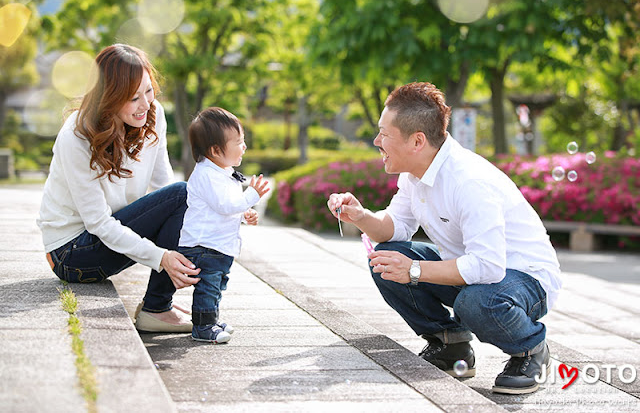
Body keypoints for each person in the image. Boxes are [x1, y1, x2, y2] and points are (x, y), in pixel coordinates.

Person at [327, 82, 562, 395]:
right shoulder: (415, 173)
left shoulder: (469, 181)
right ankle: (451, 345)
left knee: (476, 301)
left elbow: (488, 267)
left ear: (417, 141)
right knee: (386, 256)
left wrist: (414, 270)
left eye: (384, 134)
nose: (376, 141)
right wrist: (361, 216)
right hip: (477, 275)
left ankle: (532, 350)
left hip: (525, 280)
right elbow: (395, 226)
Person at [37, 44, 201, 333]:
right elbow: (98, 222)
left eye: (148, 91)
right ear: (108, 97)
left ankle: (156, 306)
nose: (145, 104)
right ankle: (158, 308)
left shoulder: (153, 115)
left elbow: (165, 188)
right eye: (132, 98)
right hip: (70, 253)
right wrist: (160, 257)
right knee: (181, 194)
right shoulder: (76, 135)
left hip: (104, 236)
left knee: (182, 195)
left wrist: (229, 211)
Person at [177, 107, 270, 343]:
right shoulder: (207, 174)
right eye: (238, 141)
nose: (244, 146)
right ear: (215, 150)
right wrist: (251, 196)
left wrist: (244, 214)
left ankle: (211, 320)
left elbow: (223, 208)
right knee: (208, 287)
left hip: (216, 245)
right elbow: (224, 205)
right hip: (203, 246)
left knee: (217, 285)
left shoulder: (222, 172)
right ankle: (203, 327)